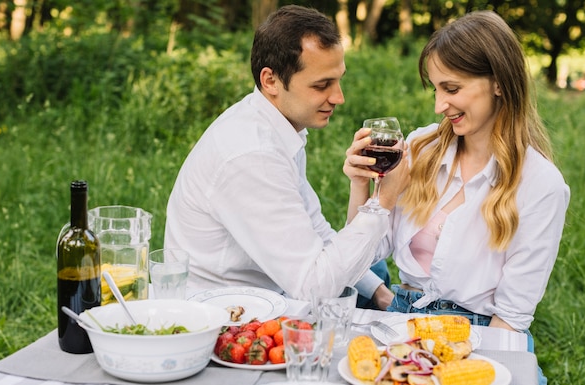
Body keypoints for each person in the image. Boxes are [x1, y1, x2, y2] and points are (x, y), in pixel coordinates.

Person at [344, 10, 569, 385]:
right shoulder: (420, 148)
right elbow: (361, 255)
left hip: (481, 337)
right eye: (434, 88)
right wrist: (361, 186)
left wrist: (449, 369)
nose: (438, 105)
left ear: (498, 82)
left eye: (451, 88)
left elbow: (511, 318)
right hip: (399, 321)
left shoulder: (542, 185)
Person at [164, 5, 405, 308]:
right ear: (271, 81)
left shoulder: (276, 128)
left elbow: (317, 232)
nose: (338, 98)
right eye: (321, 85)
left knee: (373, 271)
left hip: (273, 290)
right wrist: (383, 202)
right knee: (360, 265)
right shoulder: (252, 155)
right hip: (233, 317)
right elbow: (315, 287)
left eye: (338, 80)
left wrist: (380, 294)